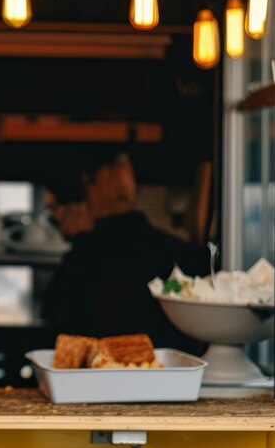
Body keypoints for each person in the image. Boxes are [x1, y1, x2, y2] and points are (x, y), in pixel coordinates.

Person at [42, 152, 207, 354]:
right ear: (132, 192)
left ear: (91, 191)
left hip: (97, 376)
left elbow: (54, 314)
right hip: (164, 375)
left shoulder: (86, 261)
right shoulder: (181, 257)